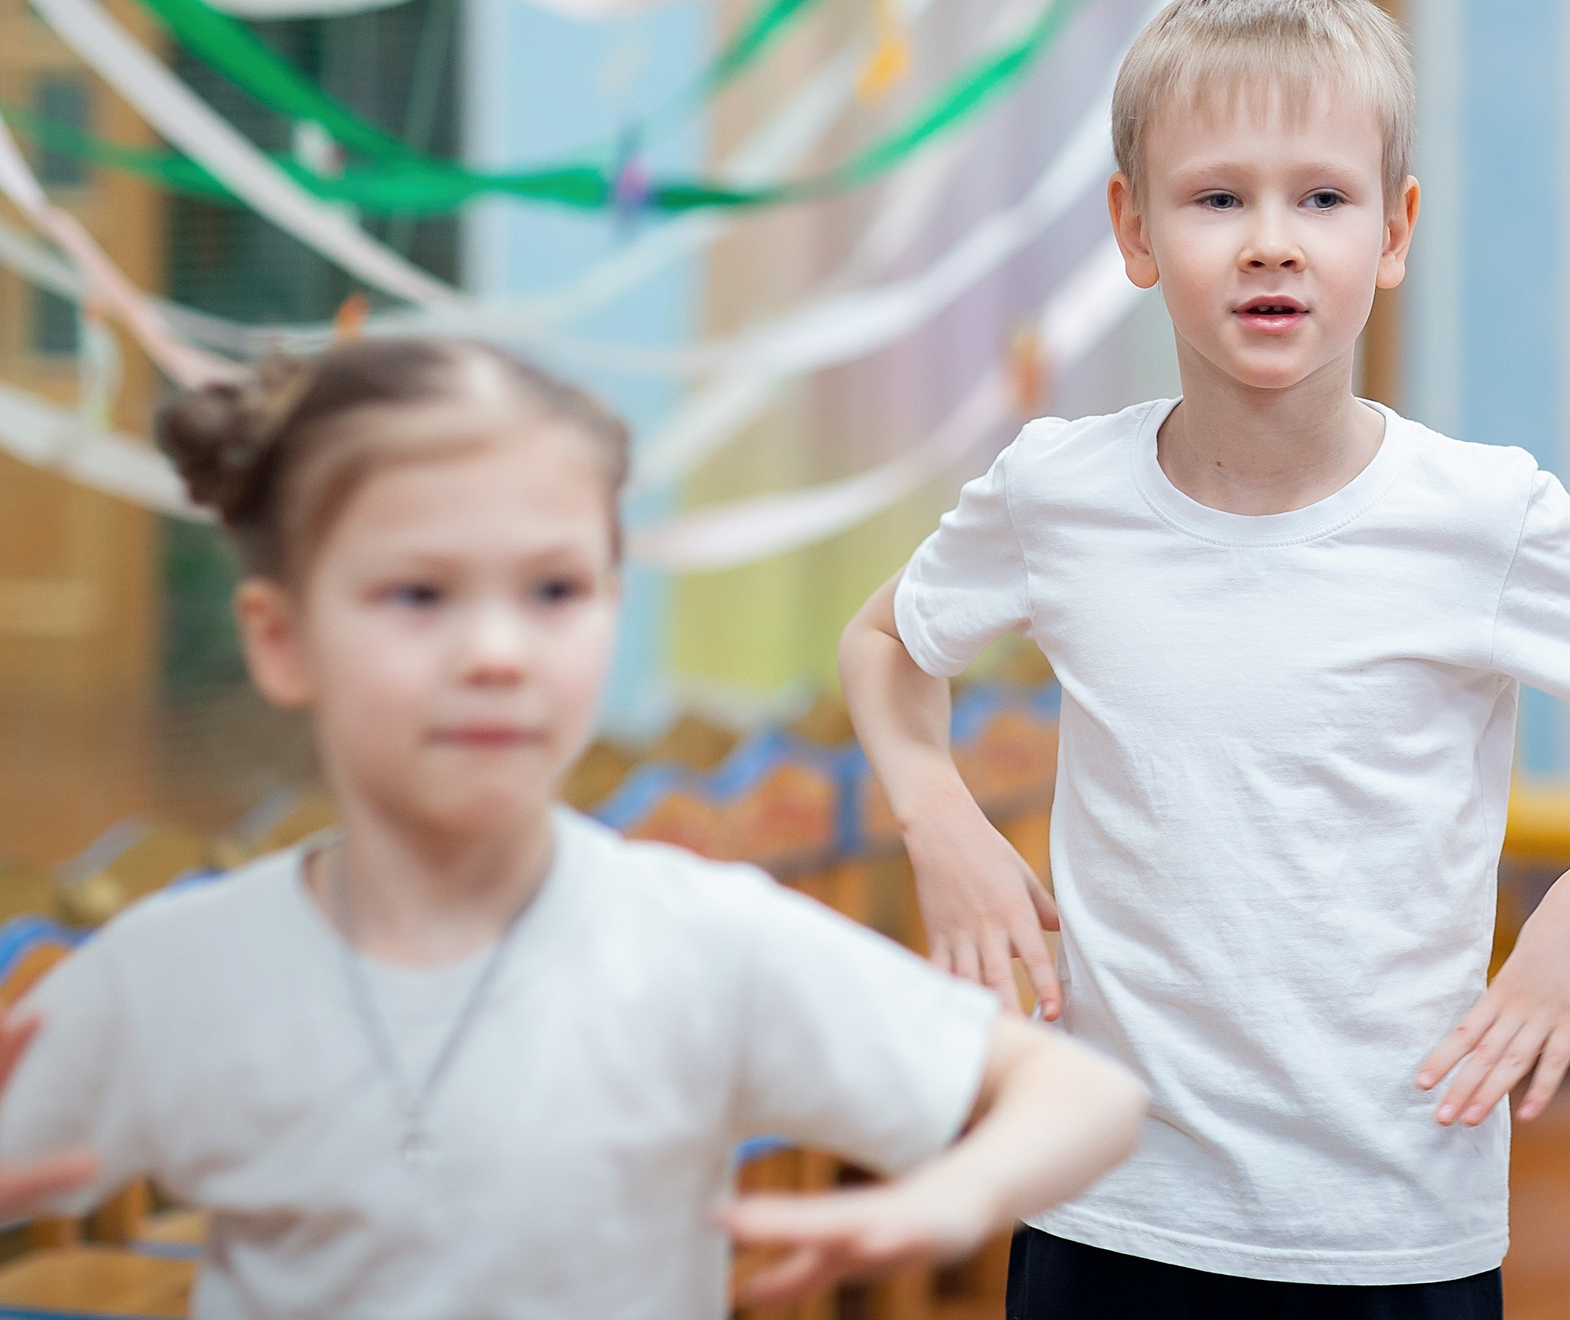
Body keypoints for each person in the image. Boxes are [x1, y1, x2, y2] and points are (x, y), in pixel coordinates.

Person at [840, 0, 1570, 1319]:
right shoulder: (1054, 490)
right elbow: (886, 642)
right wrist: (935, 813)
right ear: (1134, 230)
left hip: (1388, 1226)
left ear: (1396, 228)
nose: (1271, 241)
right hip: (1106, 1198)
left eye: (1321, 196)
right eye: (1215, 198)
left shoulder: (1480, 515)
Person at [0, 337, 1144, 1318]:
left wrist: (948, 1197)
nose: (496, 654)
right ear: (281, 637)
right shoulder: (182, 976)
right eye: (418, 595)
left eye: (552, 592)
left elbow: (1083, 1096)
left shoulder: (695, 943)